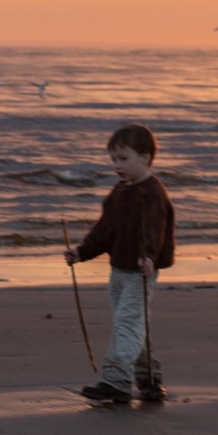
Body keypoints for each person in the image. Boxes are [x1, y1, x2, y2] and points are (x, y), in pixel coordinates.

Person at [67, 122, 174, 407]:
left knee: (127, 324)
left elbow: (155, 229)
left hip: (141, 272)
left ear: (146, 158)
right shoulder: (119, 192)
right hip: (118, 271)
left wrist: (149, 256)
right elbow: (105, 230)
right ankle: (149, 378)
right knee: (130, 324)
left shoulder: (151, 193)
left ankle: (116, 380)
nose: (117, 165)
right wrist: (81, 252)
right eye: (114, 159)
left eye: (123, 158)